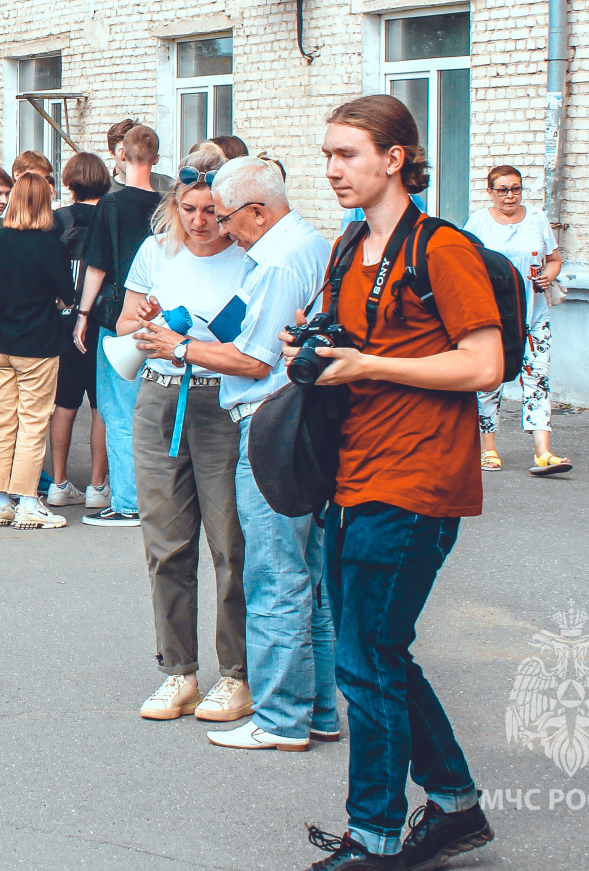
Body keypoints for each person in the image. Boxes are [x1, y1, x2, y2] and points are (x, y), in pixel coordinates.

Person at [294, 95, 501, 871]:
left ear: (396, 158)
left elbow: (482, 363)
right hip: (351, 472)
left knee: (365, 659)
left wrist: (368, 363)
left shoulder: (441, 248)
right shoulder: (350, 244)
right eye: (327, 154)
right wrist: (309, 348)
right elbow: (346, 339)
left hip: (417, 480)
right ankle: (454, 805)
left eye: (347, 154)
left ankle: (373, 838)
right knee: (380, 653)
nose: (333, 168)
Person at [179, 156, 338, 754]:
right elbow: (247, 332)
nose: (219, 229)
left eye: (225, 218)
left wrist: (181, 348)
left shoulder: (275, 259)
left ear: (257, 211)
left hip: (271, 424)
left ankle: (280, 720)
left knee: (275, 576)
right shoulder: (302, 245)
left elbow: (254, 361)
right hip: (299, 421)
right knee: (306, 574)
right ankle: (316, 708)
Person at [115, 148, 253, 726]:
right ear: (175, 207)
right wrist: (145, 322)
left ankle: (237, 676)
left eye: (210, 211)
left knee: (230, 545)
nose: (199, 221)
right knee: (166, 544)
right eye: (189, 209)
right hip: (158, 396)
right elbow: (123, 325)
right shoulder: (156, 251)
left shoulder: (250, 259)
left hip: (221, 401)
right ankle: (180, 673)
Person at [73, 120, 164, 528]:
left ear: (121, 156)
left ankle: (128, 501)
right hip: (159, 317)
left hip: (116, 317)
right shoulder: (167, 206)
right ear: (157, 159)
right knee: (152, 413)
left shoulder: (111, 204)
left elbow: (97, 266)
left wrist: (82, 315)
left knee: (117, 410)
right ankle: (152, 497)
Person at [0, 173, 74, 529]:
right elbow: (67, 294)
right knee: (33, 423)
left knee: (2, 422)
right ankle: (28, 502)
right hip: (37, 341)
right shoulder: (52, 245)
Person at [464, 166, 568, 476]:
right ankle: (489, 448)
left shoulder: (536, 219)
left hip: (534, 314)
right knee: (489, 381)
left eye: (516, 189)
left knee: (538, 379)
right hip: (494, 317)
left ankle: (543, 452)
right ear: (490, 192)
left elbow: (554, 259)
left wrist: (549, 276)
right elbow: (466, 264)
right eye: (503, 190)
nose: (510, 196)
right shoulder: (479, 222)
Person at [45, 151, 112, 511]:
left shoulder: (58, 220)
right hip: (101, 320)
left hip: (63, 320)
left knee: (64, 404)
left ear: (69, 182)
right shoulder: (110, 217)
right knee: (100, 405)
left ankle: (58, 482)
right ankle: (98, 485)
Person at [106, 118, 175, 198]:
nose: (132, 155)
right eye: (126, 151)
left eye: (137, 150)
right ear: (112, 153)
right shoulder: (101, 190)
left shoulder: (168, 186)